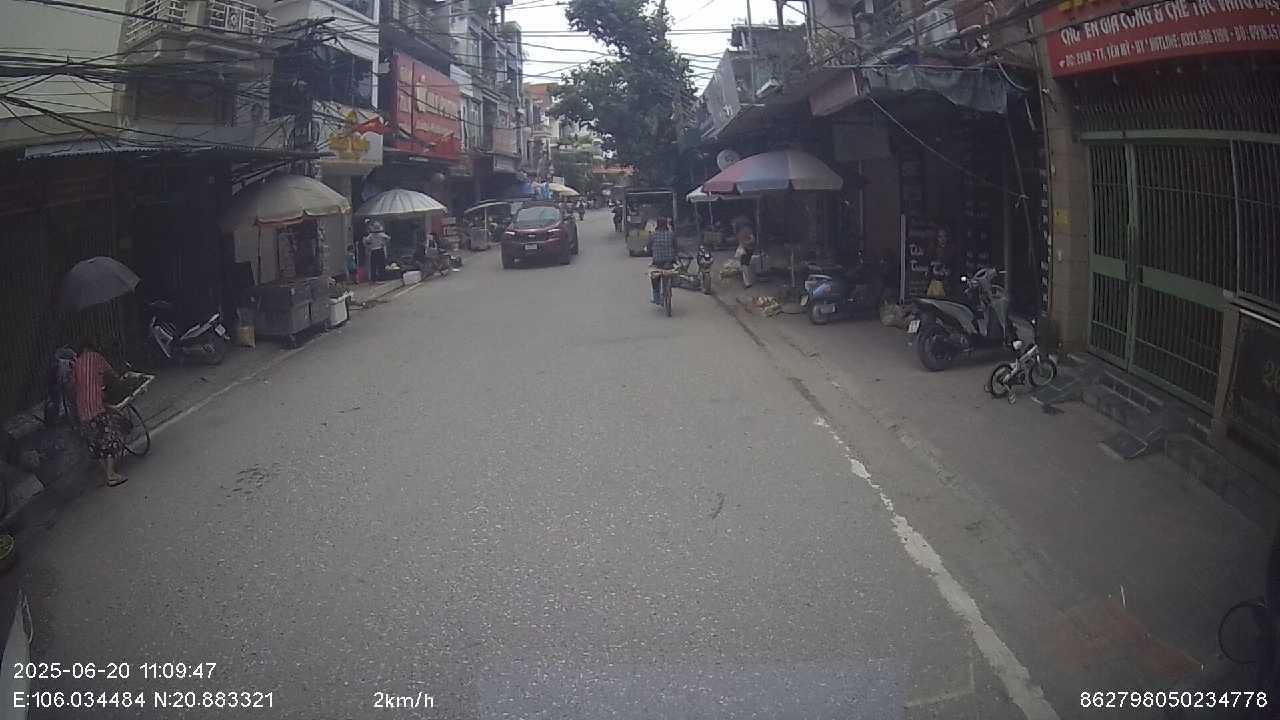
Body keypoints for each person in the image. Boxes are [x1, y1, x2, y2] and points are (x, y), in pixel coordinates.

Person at [72, 340, 129, 487]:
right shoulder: (96, 357)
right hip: (96, 407)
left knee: (96, 444)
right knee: (110, 438)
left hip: (83, 411)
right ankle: (111, 475)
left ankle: (107, 473)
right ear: (90, 348)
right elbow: (111, 374)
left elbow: (75, 386)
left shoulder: (76, 364)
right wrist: (120, 383)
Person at [648, 216, 676, 305]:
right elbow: (675, 246)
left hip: (657, 261)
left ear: (657, 224)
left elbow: (649, 247)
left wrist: (650, 251)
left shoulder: (653, 235)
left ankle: (656, 297)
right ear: (666, 224)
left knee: (654, 278)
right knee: (672, 272)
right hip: (670, 260)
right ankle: (671, 285)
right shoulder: (671, 234)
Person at [733, 217, 757, 288]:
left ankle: (747, 282)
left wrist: (745, 243)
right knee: (745, 264)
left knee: (744, 264)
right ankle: (747, 281)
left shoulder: (743, 230)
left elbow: (752, 239)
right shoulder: (747, 229)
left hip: (747, 248)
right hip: (747, 248)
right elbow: (752, 239)